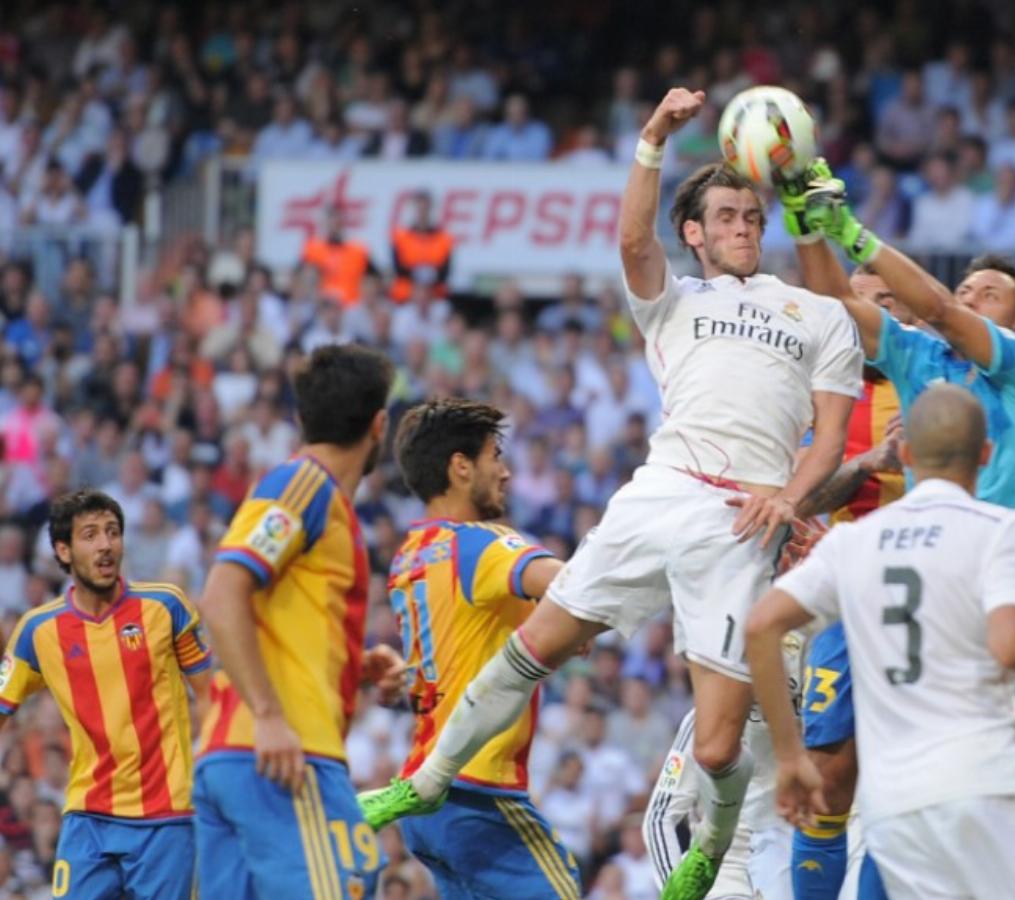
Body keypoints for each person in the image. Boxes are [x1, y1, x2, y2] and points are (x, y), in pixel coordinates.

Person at [357, 88, 862, 900]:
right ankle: (424, 779)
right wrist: (653, 140)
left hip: (741, 522)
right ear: (693, 232)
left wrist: (791, 500)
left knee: (716, 747)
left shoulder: (818, 315)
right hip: (659, 494)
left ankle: (709, 846)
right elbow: (632, 238)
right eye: (726, 216)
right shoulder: (676, 302)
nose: (743, 227)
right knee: (531, 650)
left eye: (753, 216)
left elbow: (833, 439)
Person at [745, 385, 1015, 899]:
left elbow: (760, 626)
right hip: (986, 784)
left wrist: (790, 755)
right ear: (985, 455)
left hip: (897, 804)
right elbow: (1014, 645)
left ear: (905, 455)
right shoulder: (1001, 530)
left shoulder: (853, 542)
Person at [791, 161, 1015, 792]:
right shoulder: (918, 355)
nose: (971, 296)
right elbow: (837, 303)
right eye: (967, 288)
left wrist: (851, 230)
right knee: (927, 786)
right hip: (940, 601)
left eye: (990, 293)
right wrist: (804, 223)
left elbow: (942, 310)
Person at [193, 344, 406, 899]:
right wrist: (267, 714)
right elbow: (221, 593)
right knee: (351, 880)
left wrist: (349, 666)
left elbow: (267, 618)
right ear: (379, 425)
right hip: (284, 756)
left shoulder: (312, 495)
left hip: (235, 757)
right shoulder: (305, 486)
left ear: (300, 418)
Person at [381, 399, 580, 898]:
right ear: (460, 466)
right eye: (496, 456)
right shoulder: (481, 544)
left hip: (425, 799)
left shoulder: (410, 555)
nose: (507, 472)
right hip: (478, 788)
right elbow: (575, 588)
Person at [0, 490, 212, 898]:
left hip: (165, 818)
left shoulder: (166, 606)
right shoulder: (37, 631)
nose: (105, 545)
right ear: (63, 551)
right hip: (88, 817)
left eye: (113, 532)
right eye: (91, 534)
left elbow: (210, 696)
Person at [785, 264, 910, 900]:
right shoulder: (830, 397)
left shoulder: (935, 386)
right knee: (829, 777)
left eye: (885, 303)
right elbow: (805, 499)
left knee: (901, 782)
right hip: (845, 599)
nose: (870, 316)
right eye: (858, 305)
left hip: (920, 604)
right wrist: (872, 461)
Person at [644, 633, 805, 900]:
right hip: (725, 868)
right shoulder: (703, 722)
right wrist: (679, 890)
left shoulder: (816, 716)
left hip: (795, 854)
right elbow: (659, 817)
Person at [389, 191, 454, 303]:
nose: (422, 211)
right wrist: (418, 274)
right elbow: (398, 268)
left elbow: (446, 271)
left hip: (435, 298)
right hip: (405, 298)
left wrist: (430, 275)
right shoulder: (400, 237)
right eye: (419, 207)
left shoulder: (443, 238)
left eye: (425, 207)